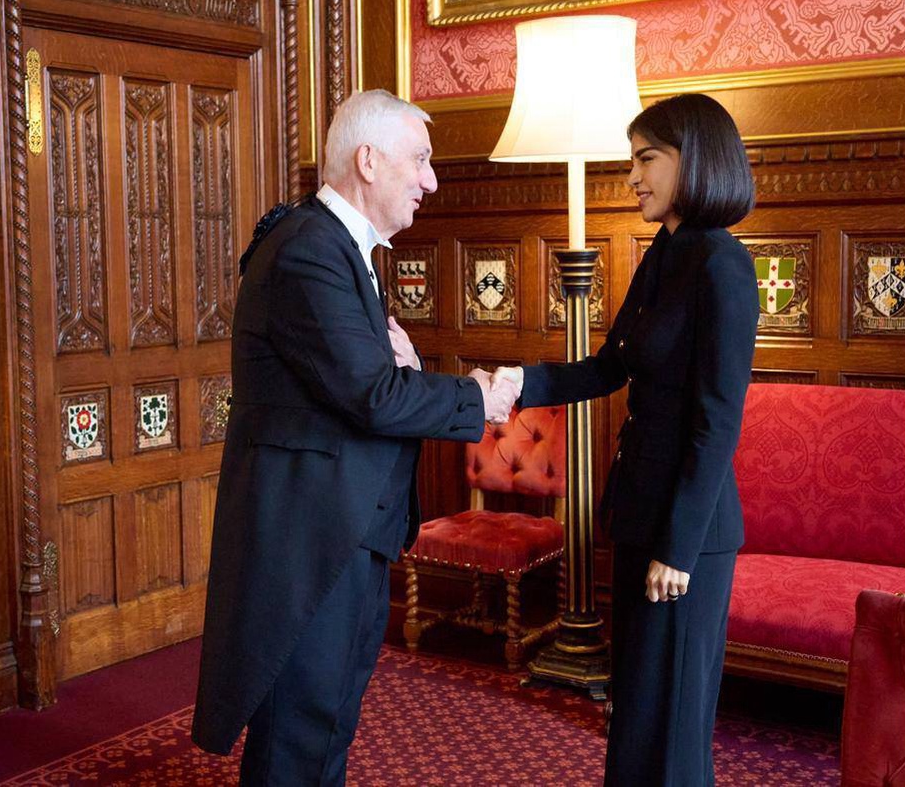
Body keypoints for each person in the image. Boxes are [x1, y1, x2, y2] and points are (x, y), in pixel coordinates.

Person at [191, 89, 519, 784]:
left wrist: (411, 374)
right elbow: (373, 396)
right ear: (368, 161)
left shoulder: (340, 248)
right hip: (308, 543)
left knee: (326, 724)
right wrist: (476, 397)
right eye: (420, 160)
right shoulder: (310, 250)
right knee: (297, 737)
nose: (431, 180)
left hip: (343, 533)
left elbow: (364, 385)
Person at [495, 93, 758, 785]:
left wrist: (678, 548)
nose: (633, 176)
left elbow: (717, 421)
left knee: (673, 722)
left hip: (687, 537)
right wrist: (519, 382)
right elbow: (609, 366)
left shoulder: (723, 264)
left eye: (646, 159)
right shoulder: (662, 253)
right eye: (632, 160)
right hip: (641, 512)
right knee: (637, 710)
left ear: (693, 160)